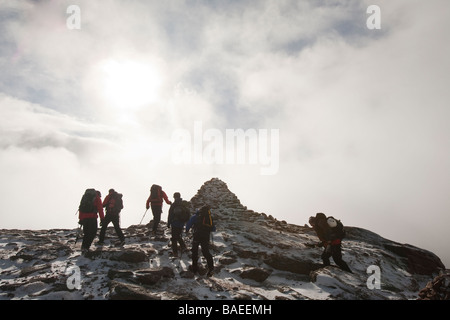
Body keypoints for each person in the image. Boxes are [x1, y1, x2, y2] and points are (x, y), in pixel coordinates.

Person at [186, 205, 216, 277]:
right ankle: (211, 268)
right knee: (206, 252)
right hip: (205, 237)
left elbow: (189, 224)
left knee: (195, 251)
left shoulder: (195, 216)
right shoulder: (209, 218)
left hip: (197, 236)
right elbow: (213, 229)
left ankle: (194, 268)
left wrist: (187, 230)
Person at [78, 189, 104, 255]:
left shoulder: (85, 198)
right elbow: (100, 209)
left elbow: (81, 209)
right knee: (93, 232)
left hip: (84, 218)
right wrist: (102, 219)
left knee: (86, 233)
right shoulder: (97, 198)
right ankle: (86, 247)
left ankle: (84, 247)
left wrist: (80, 219)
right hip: (92, 217)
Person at [167, 192, 189, 257]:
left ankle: (175, 252)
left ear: (174, 197)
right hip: (181, 223)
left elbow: (170, 214)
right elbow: (187, 213)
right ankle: (183, 246)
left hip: (174, 223)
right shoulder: (183, 204)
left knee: (174, 238)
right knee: (178, 235)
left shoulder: (174, 205)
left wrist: (168, 223)